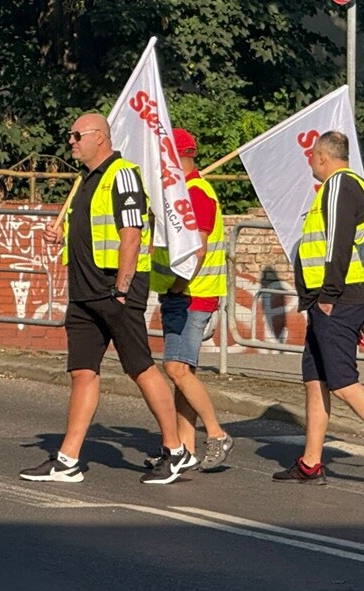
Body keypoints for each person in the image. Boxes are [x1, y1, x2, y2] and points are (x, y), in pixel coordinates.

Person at [20, 112, 193, 485]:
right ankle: (67, 460)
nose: (71, 142)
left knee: (140, 366)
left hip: (114, 289)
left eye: (76, 135)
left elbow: (131, 234)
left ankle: (175, 449)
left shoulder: (123, 174)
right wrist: (62, 238)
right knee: (83, 371)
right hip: (84, 291)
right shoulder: (85, 180)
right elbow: (91, 232)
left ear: (100, 137)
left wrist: (122, 289)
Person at [274, 131, 364, 491]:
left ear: (323, 157)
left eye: (311, 156)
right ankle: (311, 463)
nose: (309, 161)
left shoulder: (341, 185)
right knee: (316, 379)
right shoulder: (337, 187)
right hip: (328, 301)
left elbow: (337, 244)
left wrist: (328, 294)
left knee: (342, 382)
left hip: (336, 300)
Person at [148, 128, 233, 472]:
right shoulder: (184, 193)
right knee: (182, 373)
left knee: (176, 369)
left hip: (192, 295)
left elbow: (197, 250)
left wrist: (180, 287)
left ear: (176, 157)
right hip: (182, 294)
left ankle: (217, 433)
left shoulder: (195, 194)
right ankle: (183, 450)